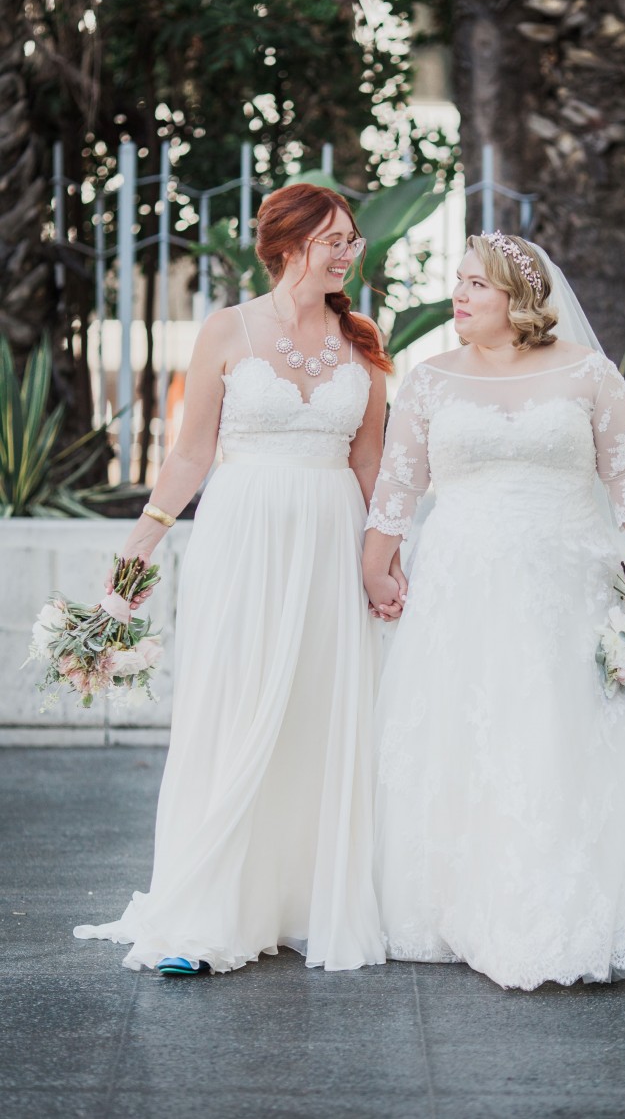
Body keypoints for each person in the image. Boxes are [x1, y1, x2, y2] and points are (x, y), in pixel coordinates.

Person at [362, 231, 625, 990]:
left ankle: (586, 893)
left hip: (570, 578)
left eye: (475, 286)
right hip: (462, 580)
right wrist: (376, 558)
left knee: (562, 724)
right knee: (468, 724)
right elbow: (398, 481)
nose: (457, 295)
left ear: (519, 300)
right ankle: (452, 897)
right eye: (456, 281)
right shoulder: (429, 382)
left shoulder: (588, 375)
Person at [75, 182, 397, 975]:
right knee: (235, 702)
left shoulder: (361, 341)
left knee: (319, 708)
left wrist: (384, 562)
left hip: (329, 534)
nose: (349, 253)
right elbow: (190, 454)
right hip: (243, 533)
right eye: (335, 240)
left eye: (352, 241)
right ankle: (207, 908)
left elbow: (369, 464)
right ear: (289, 243)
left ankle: (298, 898)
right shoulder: (227, 329)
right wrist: (138, 550)